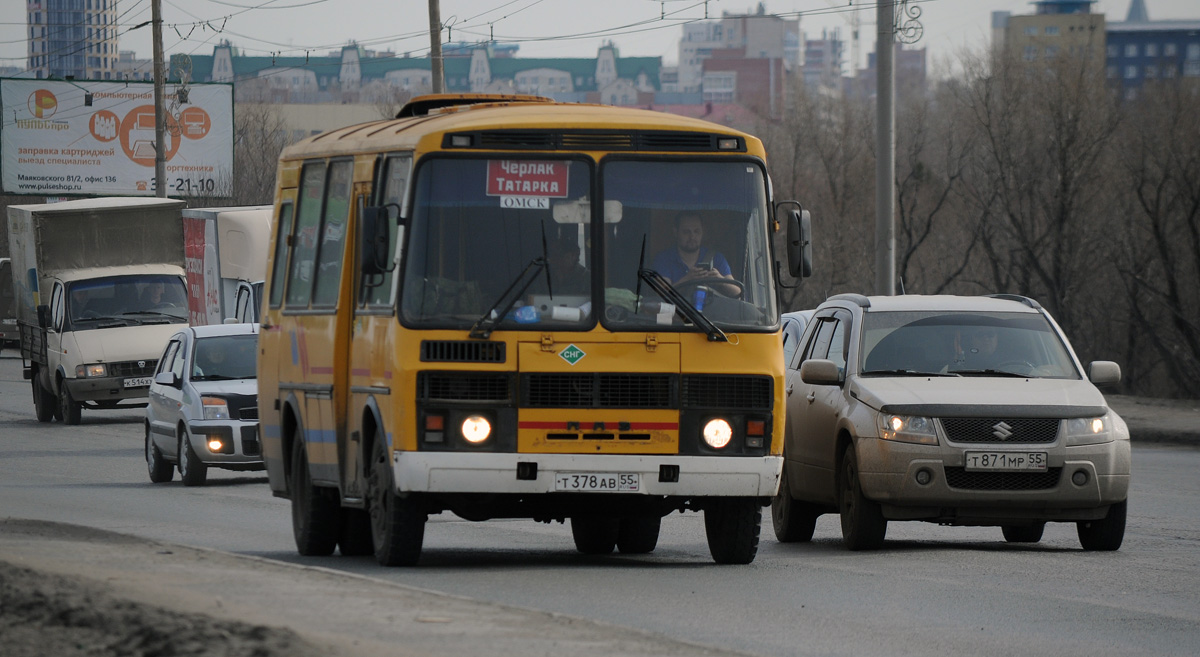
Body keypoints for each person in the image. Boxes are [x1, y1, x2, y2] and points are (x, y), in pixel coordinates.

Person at [650, 212, 739, 301]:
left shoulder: (716, 258)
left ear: (702, 232)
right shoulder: (664, 259)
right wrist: (688, 279)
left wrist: (720, 280)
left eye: (696, 231)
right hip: (675, 313)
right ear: (676, 232)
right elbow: (662, 294)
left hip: (711, 314)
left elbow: (737, 292)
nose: (692, 236)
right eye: (686, 232)